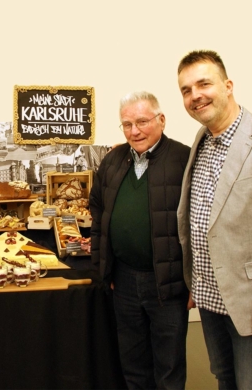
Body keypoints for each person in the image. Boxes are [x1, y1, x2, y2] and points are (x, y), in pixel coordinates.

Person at [89, 91, 191, 389]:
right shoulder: (113, 161)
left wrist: (195, 281)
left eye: (142, 122)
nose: (134, 131)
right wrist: (102, 267)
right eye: (127, 124)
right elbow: (98, 213)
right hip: (123, 282)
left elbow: (198, 223)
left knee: (169, 369)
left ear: (161, 120)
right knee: (133, 367)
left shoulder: (183, 159)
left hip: (168, 285)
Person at [177, 50, 252, 389]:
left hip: (245, 298)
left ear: (228, 85)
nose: (195, 95)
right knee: (224, 379)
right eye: (186, 90)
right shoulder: (202, 141)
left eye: (203, 84)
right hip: (208, 296)